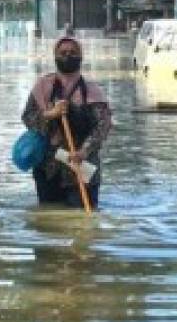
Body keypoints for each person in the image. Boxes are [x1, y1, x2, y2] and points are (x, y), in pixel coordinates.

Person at [22, 36, 112, 208]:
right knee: (50, 221)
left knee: (82, 220)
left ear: (81, 56)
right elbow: (28, 118)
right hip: (49, 169)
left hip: (82, 167)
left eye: (73, 52)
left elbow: (103, 126)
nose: (68, 56)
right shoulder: (43, 86)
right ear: (55, 57)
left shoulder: (92, 90)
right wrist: (50, 114)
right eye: (63, 53)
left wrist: (83, 152)